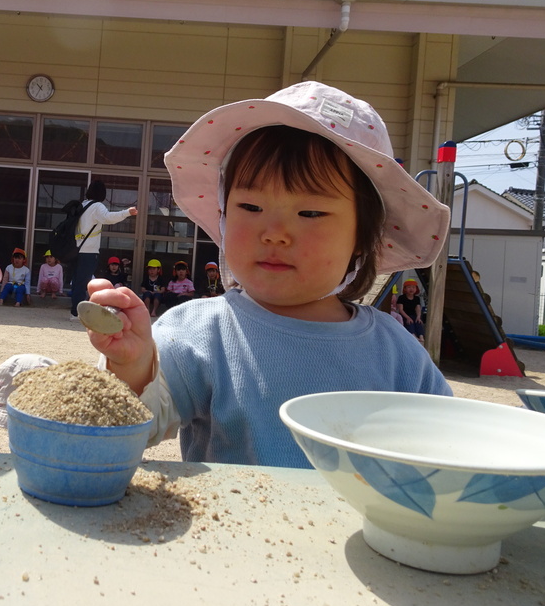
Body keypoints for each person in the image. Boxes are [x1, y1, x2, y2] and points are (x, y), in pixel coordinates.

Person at [83, 81, 454, 468]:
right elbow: (134, 425)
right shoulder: (199, 333)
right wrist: (132, 366)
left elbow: (449, 446)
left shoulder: (396, 354)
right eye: (251, 206)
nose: (274, 232)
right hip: (237, 526)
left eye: (310, 213)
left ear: (361, 236)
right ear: (224, 216)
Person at [69, 181, 138, 321]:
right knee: (83, 282)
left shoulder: (83, 204)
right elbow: (108, 218)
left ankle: (75, 311)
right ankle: (76, 313)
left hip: (75, 249)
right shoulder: (96, 206)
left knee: (77, 281)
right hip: (89, 251)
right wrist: (127, 213)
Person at [396, 278, 425, 342]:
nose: (411, 289)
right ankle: (413, 335)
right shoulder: (401, 297)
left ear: (416, 289)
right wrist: (407, 317)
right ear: (405, 289)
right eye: (409, 287)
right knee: (410, 322)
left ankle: (421, 335)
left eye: (413, 287)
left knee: (418, 321)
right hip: (404, 315)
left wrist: (418, 316)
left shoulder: (417, 298)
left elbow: (418, 308)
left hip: (413, 315)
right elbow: (401, 310)